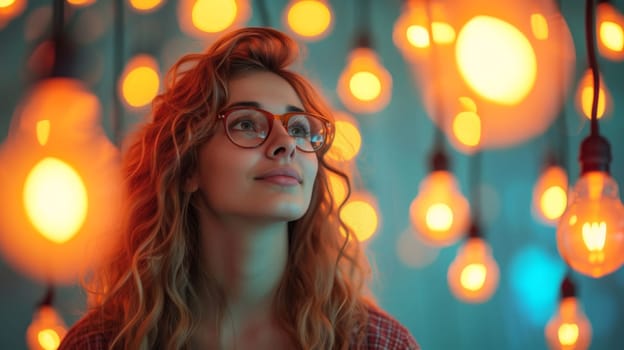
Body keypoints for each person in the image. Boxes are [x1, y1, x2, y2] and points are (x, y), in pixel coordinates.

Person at [58, 27, 419, 350]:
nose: (286, 144)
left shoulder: (374, 343)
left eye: (298, 128)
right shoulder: (104, 343)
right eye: (247, 123)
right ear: (187, 168)